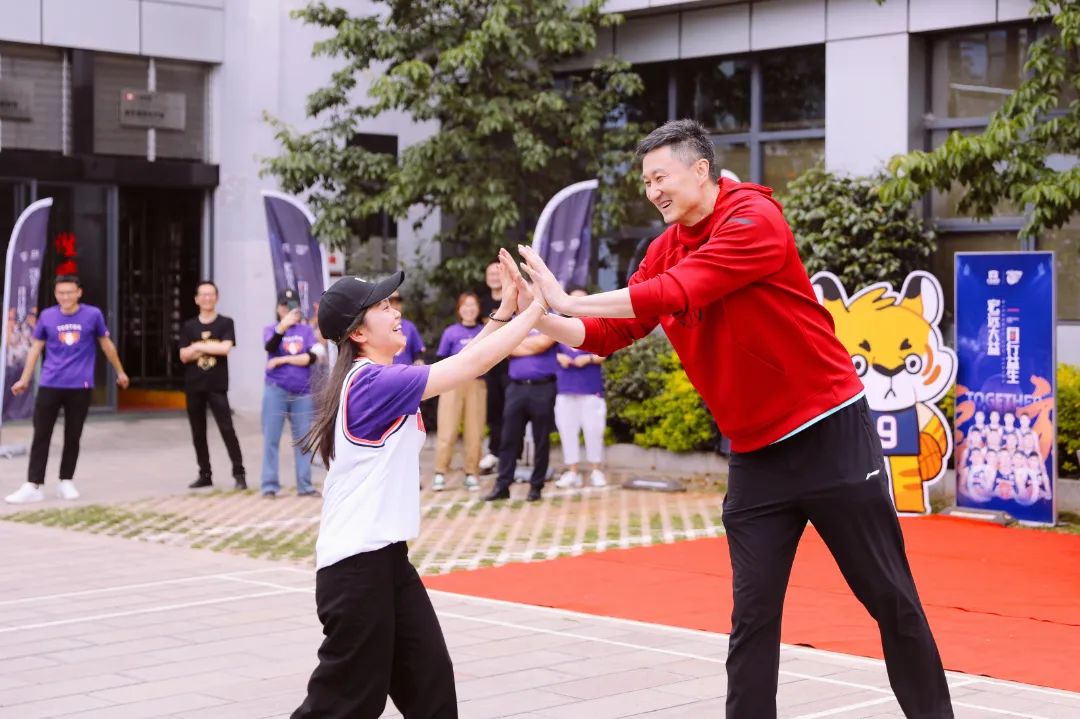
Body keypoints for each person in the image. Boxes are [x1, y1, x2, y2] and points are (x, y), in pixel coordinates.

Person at [508, 119, 953, 717]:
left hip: (829, 436)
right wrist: (536, 313)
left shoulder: (754, 221)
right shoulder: (662, 249)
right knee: (752, 619)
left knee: (890, 600)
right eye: (645, 182)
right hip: (755, 458)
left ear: (700, 171)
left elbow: (678, 291)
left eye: (660, 177)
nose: (653, 191)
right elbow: (608, 332)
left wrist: (571, 299)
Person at [291, 257, 545, 718]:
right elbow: (472, 365)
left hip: (387, 560)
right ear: (358, 333)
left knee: (431, 690)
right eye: (383, 305)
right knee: (344, 706)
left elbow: (463, 359)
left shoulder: (380, 378)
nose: (395, 311)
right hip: (355, 570)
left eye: (392, 301)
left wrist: (507, 308)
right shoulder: (370, 383)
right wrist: (539, 308)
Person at [4, 275, 129, 504]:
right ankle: (33, 484)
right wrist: (24, 379)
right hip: (50, 383)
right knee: (41, 434)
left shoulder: (93, 315)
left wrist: (119, 371)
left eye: (70, 292)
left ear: (79, 293)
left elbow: (106, 345)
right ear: (56, 294)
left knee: (73, 435)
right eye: (61, 293)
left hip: (80, 386)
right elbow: (35, 350)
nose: (65, 297)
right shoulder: (47, 316)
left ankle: (66, 481)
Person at [179, 281, 246, 490]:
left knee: (227, 429)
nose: (207, 299)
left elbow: (225, 349)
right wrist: (211, 347)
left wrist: (197, 346)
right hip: (194, 386)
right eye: (203, 295)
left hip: (217, 385)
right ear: (197, 299)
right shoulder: (189, 326)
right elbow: (183, 356)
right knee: (198, 432)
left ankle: (239, 473)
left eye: (211, 295)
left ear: (216, 298)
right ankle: (204, 473)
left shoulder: (226, 323)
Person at [482, 324, 558, 503]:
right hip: (516, 387)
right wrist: (526, 345)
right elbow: (504, 348)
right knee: (508, 438)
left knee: (541, 440)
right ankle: (502, 485)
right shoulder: (515, 322)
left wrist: (518, 345)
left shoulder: (552, 319)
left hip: (543, 387)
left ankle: (536, 486)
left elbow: (543, 344)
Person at [261, 288, 323, 498]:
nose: (290, 310)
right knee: (271, 438)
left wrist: (282, 360)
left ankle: (305, 485)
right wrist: (282, 327)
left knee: (303, 440)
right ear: (279, 309)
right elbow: (270, 346)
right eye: (286, 307)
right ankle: (269, 485)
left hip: (302, 392)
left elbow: (311, 358)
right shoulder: (271, 329)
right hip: (276, 390)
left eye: (293, 306)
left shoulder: (305, 331)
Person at [552, 288, 608, 490]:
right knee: (567, 430)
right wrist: (560, 358)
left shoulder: (598, 325)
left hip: (590, 388)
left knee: (593, 430)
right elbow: (549, 352)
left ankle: (596, 470)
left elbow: (605, 353)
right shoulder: (559, 326)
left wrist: (589, 358)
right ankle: (572, 471)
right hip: (566, 388)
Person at [431, 292, 486, 492]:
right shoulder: (451, 332)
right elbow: (441, 358)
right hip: (452, 384)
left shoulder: (484, 331)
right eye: (465, 305)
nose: (469, 309)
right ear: (459, 309)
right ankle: (439, 472)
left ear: (478, 309)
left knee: (475, 430)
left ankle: (471, 473)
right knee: (447, 428)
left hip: (477, 384)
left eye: (473, 305)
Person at [478, 259, 509, 472]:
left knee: (511, 410)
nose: (494, 277)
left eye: (498, 272)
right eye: (490, 273)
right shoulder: (481, 302)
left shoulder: (512, 299)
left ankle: (511, 453)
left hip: (511, 363)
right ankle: (494, 452)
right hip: (490, 365)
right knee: (493, 410)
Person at [389, 290, 426, 366]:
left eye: (398, 302)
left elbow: (418, 351)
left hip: (407, 373)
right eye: (391, 302)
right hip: (384, 374)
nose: (395, 306)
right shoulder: (377, 328)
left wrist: (419, 361)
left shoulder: (409, 326)